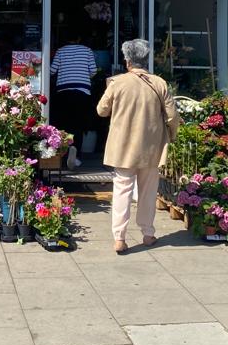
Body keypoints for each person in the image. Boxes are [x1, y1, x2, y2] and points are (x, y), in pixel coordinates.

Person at [97, 39, 179, 254]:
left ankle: (119, 238)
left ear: (127, 61)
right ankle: (148, 233)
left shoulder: (117, 83)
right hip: (151, 146)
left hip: (122, 147)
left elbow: (101, 110)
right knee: (148, 192)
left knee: (122, 190)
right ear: (146, 59)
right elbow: (172, 116)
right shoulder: (159, 83)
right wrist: (171, 136)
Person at [50, 34, 97, 169]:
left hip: (63, 91)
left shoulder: (60, 51)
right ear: (79, 38)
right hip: (82, 92)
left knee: (64, 124)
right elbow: (93, 71)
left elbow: (52, 71)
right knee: (78, 125)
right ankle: (75, 156)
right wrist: (83, 75)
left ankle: (63, 154)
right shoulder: (87, 51)